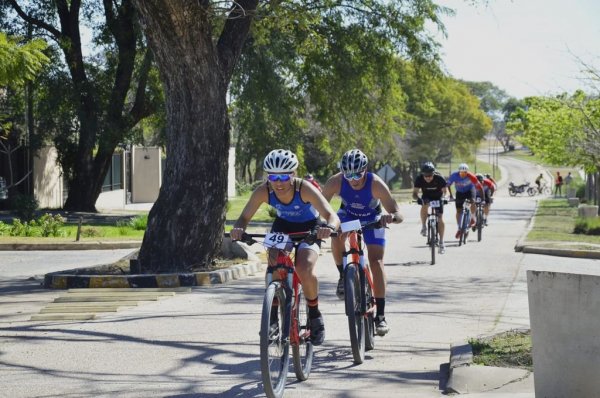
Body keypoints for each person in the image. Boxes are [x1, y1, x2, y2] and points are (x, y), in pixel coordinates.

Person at [230, 149, 340, 346]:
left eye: (283, 176)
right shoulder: (264, 190)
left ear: (293, 174)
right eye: (273, 176)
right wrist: (238, 228)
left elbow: (332, 215)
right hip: (283, 227)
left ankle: (314, 315)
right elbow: (244, 217)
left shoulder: (304, 188)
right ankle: (272, 316)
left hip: (310, 228)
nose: (278, 182)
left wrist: (329, 228)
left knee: (304, 267)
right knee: (273, 262)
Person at [322, 149, 403, 337]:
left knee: (376, 262)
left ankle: (381, 315)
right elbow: (320, 205)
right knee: (336, 233)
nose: (353, 179)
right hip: (347, 215)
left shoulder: (376, 183)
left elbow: (398, 212)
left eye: (358, 174)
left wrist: (390, 217)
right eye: (348, 174)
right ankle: (343, 275)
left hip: (373, 218)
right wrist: (320, 223)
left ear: (365, 170)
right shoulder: (335, 181)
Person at [412, 161, 448, 254]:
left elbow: (445, 191)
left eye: (430, 175)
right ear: (422, 175)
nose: (428, 178)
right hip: (426, 197)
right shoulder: (419, 179)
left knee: (440, 217)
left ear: (433, 173)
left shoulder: (439, 178)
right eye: (426, 176)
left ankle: (441, 242)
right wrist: (418, 199)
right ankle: (424, 226)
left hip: (438, 197)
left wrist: (444, 198)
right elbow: (414, 194)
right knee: (424, 204)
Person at [446, 163, 483, 239]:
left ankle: (473, 218)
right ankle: (459, 228)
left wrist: (482, 199)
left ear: (467, 172)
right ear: (458, 172)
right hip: (460, 192)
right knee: (458, 211)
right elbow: (447, 185)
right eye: (461, 172)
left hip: (470, 191)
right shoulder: (454, 176)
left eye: (465, 173)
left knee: (472, 201)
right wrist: (450, 195)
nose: (463, 174)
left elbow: (480, 188)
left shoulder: (471, 176)